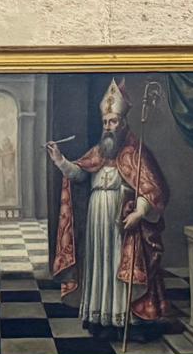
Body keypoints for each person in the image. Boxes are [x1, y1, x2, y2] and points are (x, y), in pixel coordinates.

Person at [48, 77, 171, 337]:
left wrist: (139, 211)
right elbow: (80, 174)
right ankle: (99, 317)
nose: (108, 127)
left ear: (123, 123)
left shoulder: (135, 153)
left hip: (120, 219)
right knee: (98, 262)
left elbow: (150, 187)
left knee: (116, 263)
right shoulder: (99, 151)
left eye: (112, 121)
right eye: (105, 122)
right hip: (96, 216)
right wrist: (60, 160)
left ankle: (125, 319)